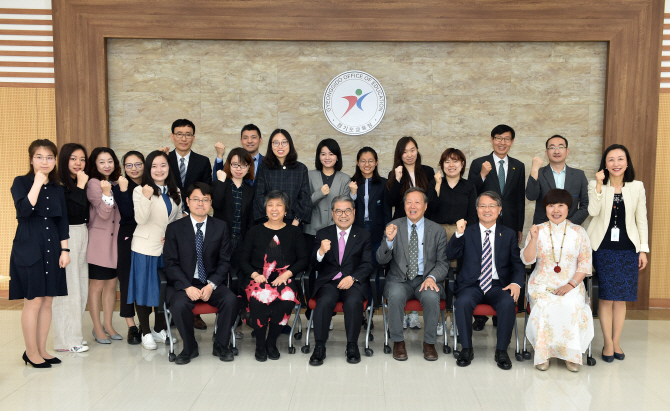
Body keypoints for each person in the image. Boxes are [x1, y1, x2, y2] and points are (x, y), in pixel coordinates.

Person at [446, 191, 525, 370]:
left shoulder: (509, 234)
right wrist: (458, 234)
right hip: (471, 284)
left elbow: (517, 264)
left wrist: (516, 283)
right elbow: (450, 255)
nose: (487, 209)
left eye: (492, 206)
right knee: (463, 303)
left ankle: (502, 351)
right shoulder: (467, 232)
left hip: (498, 285)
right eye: (482, 206)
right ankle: (466, 348)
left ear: (499, 210)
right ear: (477, 209)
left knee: (507, 303)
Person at [10, 139, 70, 368]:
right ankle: (31, 352)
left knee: (47, 301)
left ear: (55, 160)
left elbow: (62, 220)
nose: (45, 162)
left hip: (53, 245)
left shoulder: (58, 188)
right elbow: (24, 210)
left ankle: (42, 349)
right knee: (33, 301)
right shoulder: (21, 182)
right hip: (28, 244)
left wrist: (64, 249)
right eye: (39, 157)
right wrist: (37, 182)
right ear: (31, 159)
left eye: (49, 157)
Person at [164, 182, 238, 364]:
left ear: (211, 203)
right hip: (184, 284)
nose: (200, 203)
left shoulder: (220, 227)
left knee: (230, 299)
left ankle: (221, 344)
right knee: (179, 304)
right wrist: (187, 286)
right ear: (187, 202)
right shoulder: (174, 228)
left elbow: (224, 261)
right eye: (196, 199)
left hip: (210, 282)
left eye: (205, 200)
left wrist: (211, 285)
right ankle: (190, 348)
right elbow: (170, 263)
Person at [586, 144, 648, 363]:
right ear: (605, 164)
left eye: (620, 159)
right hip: (603, 249)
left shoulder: (637, 186)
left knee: (621, 299)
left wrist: (643, 250)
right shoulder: (595, 184)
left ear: (627, 163)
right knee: (606, 297)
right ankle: (608, 343)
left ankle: (617, 340)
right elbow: (593, 212)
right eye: (611, 159)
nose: (616, 163)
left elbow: (641, 220)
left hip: (628, 249)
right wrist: (600, 186)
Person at [521, 189, 594, 372]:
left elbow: (585, 265)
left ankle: (571, 355)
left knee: (570, 305)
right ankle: (543, 353)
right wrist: (534, 239)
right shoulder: (538, 230)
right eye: (551, 205)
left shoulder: (579, 232)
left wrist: (570, 285)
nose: (556, 210)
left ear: (568, 208)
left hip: (572, 284)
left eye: (560, 205)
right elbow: (527, 260)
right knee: (545, 306)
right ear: (545, 208)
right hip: (541, 284)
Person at [376, 187, 449, 362]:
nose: (412, 206)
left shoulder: (437, 230)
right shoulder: (393, 226)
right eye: (409, 202)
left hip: (426, 279)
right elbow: (380, 260)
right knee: (394, 295)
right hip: (399, 280)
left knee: (432, 297)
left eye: (417, 202)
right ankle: (398, 341)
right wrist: (389, 241)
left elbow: (443, 263)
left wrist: (432, 277)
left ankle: (429, 343)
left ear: (425, 206)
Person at [467, 124, 525, 331]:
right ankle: (480, 315)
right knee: (484, 262)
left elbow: (519, 199)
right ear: (491, 140)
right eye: (498, 138)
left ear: (512, 142)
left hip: (508, 224)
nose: (502, 142)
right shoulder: (478, 163)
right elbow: (471, 193)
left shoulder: (518, 165)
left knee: (505, 264)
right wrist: (482, 175)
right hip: (483, 224)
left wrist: (518, 227)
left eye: (507, 138)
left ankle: (502, 310)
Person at [240, 190, 309, 362]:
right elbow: (242, 260)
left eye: (279, 205)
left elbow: (304, 259)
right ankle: (260, 345)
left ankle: (271, 343)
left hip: (284, 278)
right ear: (265, 209)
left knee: (286, 301)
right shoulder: (254, 231)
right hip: (258, 279)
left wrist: (286, 274)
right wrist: (255, 275)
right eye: (270, 205)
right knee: (258, 301)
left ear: (286, 210)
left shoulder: (294, 232)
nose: (274, 209)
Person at [127, 150, 183, 350]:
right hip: (145, 248)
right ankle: (145, 332)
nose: (159, 170)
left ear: (169, 167)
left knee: (163, 290)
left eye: (163, 165)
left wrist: (173, 237)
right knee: (143, 290)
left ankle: (160, 329)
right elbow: (141, 220)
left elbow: (176, 220)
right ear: (149, 170)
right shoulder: (140, 191)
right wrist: (147, 197)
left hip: (166, 250)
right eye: (154, 166)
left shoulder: (175, 191)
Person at [160, 118, 212, 331]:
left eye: (188, 134)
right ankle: (170, 313)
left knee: (193, 260)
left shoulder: (202, 161)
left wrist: (189, 212)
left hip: (192, 219)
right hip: (167, 218)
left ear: (193, 137)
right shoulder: (163, 159)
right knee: (173, 263)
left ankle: (194, 315)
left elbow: (206, 191)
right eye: (179, 134)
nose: (183, 138)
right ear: (172, 136)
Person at [309, 195, 373, 366]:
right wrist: (320, 252)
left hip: (353, 282)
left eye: (347, 210)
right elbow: (313, 265)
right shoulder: (323, 233)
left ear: (354, 212)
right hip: (329, 282)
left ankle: (352, 346)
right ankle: (320, 347)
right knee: (324, 301)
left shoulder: (363, 234)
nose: (343, 215)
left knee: (353, 302)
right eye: (338, 211)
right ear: (332, 213)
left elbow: (367, 264)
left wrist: (352, 278)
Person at [385, 137, 434, 330]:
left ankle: (415, 315)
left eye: (412, 150)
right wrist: (396, 180)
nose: (409, 154)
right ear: (399, 154)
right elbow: (390, 201)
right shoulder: (395, 173)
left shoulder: (428, 171)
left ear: (417, 150)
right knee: (405, 266)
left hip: (424, 226)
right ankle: (403, 314)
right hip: (403, 227)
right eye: (405, 151)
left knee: (421, 266)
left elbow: (432, 200)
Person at [212, 147, 255, 340]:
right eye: (235, 164)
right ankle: (220, 326)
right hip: (221, 242)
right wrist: (220, 181)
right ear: (229, 165)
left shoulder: (250, 190)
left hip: (242, 242)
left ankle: (235, 325)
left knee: (238, 284)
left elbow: (252, 220)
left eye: (243, 165)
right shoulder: (222, 184)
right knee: (221, 283)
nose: (239, 168)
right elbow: (216, 204)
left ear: (248, 167)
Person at [52, 143, 89, 353]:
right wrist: (81, 187)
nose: (78, 163)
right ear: (64, 160)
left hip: (82, 233)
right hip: (67, 236)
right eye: (73, 158)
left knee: (81, 287)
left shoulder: (77, 181)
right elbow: (69, 211)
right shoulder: (58, 185)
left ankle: (74, 335)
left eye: (82, 159)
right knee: (68, 289)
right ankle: (65, 341)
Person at [86, 147, 122, 344]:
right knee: (97, 286)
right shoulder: (93, 184)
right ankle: (97, 327)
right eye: (102, 162)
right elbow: (103, 213)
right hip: (99, 244)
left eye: (110, 161)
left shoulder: (116, 182)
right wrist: (107, 193)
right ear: (95, 164)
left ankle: (108, 325)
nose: (107, 165)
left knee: (110, 285)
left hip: (115, 244)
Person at [113, 150, 145, 345]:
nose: (133, 168)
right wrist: (124, 191)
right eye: (129, 165)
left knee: (145, 280)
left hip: (148, 237)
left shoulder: (151, 185)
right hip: (127, 236)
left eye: (137, 164)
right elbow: (126, 214)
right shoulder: (121, 186)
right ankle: (131, 326)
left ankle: (145, 325)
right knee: (126, 280)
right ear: (124, 167)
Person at [252, 129, 311, 226]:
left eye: (284, 143)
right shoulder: (264, 168)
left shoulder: (301, 169)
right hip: (268, 222)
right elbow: (259, 196)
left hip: (293, 223)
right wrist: (271, 219)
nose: (280, 146)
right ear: (271, 145)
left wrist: (295, 223)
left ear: (290, 145)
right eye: (276, 143)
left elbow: (305, 199)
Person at [526, 135, 589, 225]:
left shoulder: (579, 175)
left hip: (570, 228)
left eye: (560, 147)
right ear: (546, 153)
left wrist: (571, 222)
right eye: (552, 147)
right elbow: (531, 196)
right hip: (543, 226)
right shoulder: (538, 173)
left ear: (567, 151)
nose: (556, 151)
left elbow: (586, 204)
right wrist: (534, 170)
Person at [351, 147, 392, 264]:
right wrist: (352, 194)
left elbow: (387, 211)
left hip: (377, 230)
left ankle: (376, 283)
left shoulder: (384, 183)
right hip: (357, 228)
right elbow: (347, 208)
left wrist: (387, 232)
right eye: (363, 161)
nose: (367, 164)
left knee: (376, 262)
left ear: (376, 162)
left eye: (371, 160)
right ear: (358, 163)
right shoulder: (351, 183)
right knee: (358, 262)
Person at [427, 148, 477, 240]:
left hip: (461, 231)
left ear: (462, 164)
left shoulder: (469, 186)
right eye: (447, 162)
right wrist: (438, 186)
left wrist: (465, 231)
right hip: (437, 231)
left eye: (455, 161)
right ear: (442, 165)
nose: (451, 165)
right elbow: (430, 209)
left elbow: (473, 215)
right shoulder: (433, 183)